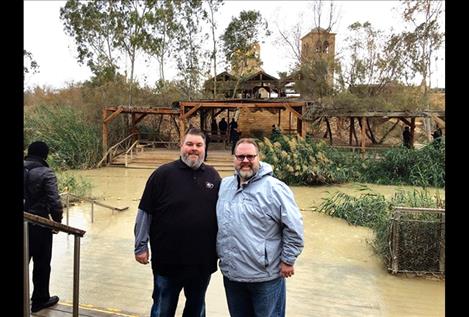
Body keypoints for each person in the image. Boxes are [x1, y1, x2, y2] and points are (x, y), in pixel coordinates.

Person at [134, 128, 221, 317]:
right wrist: (140, 246)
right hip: (168, 261)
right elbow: (145, 212)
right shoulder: (162, 175)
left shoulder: (214, 177)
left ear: (205, 148)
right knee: (162, 309)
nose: (194, 149)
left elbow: (224, 217)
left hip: (201, 263)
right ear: (181, 146)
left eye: (199, 145)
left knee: (196, 310)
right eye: (189, 144)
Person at [216, 138, 304, 317]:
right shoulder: (225, 186)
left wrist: (288, 260)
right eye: (240, 156)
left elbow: (294, 227)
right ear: (234, 158)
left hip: (265, 276)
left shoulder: (275, 189)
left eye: (250, 156)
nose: (245, 161)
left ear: (259, 158)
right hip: (232, 275)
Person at [24, 141, 63, 313]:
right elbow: (55, 201)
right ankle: (40, 300)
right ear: (45, 155)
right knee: (41, 263)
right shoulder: (46, 173)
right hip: (39, 224)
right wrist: (56, 221)